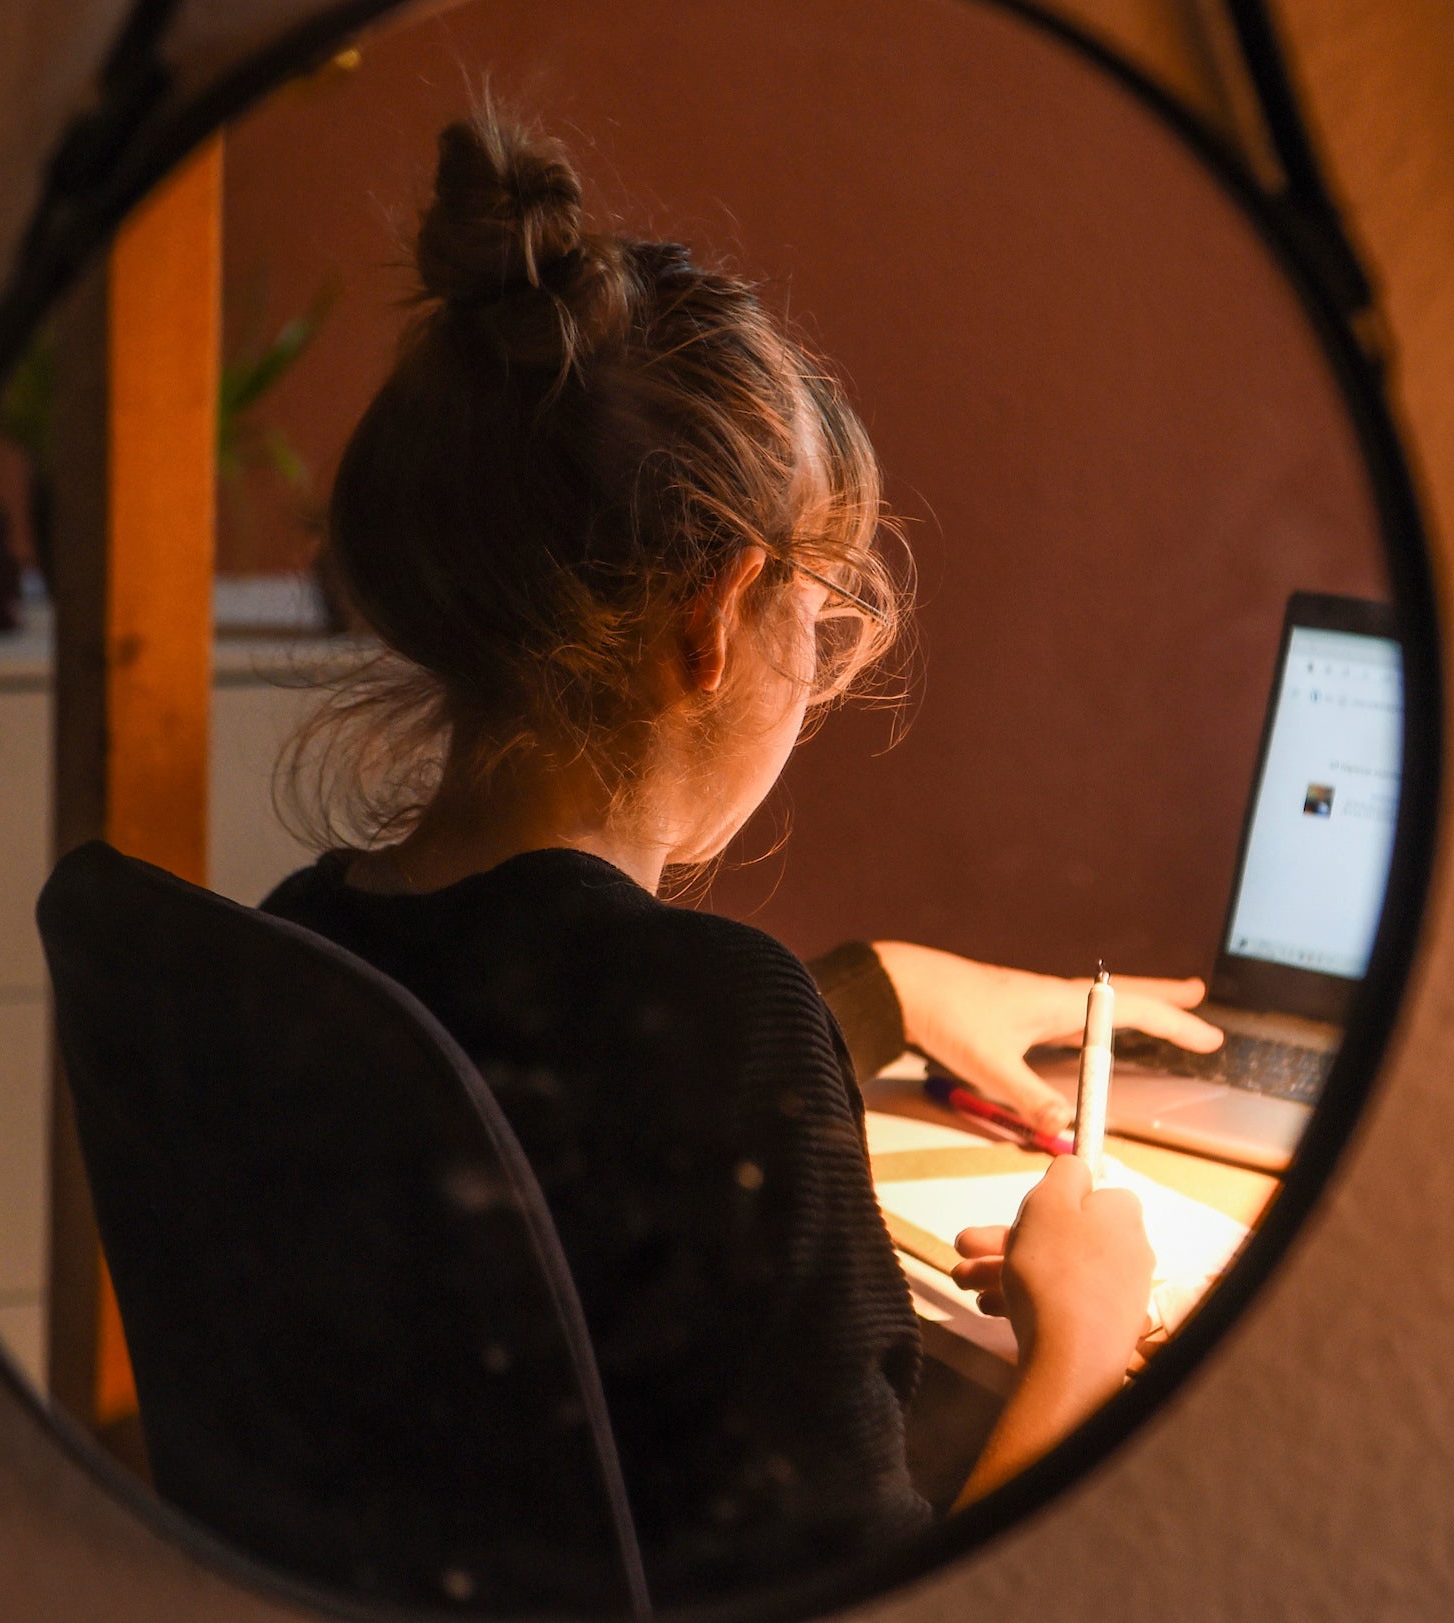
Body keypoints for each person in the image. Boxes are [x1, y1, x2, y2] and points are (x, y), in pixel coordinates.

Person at [260, 114, 1214, 1598]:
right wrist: (1085, 1332)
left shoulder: (306, 942)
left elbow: (532, 1093)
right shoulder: (716, 1021)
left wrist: (881, 987)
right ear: (718, 619)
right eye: (822, 609)